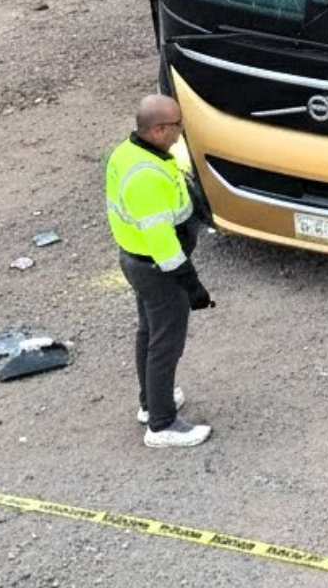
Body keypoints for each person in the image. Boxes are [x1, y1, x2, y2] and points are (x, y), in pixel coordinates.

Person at [105, 93, 214, 447]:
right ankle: (163, 425)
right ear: (157, 130)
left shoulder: (131, 153)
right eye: (177, 125)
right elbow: (162, 243)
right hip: (158, 269)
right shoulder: (145, 178)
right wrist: (192, 286)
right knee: (165, 343)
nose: (182, 131)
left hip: (137, 261)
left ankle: (151, 404)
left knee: (149, 333)